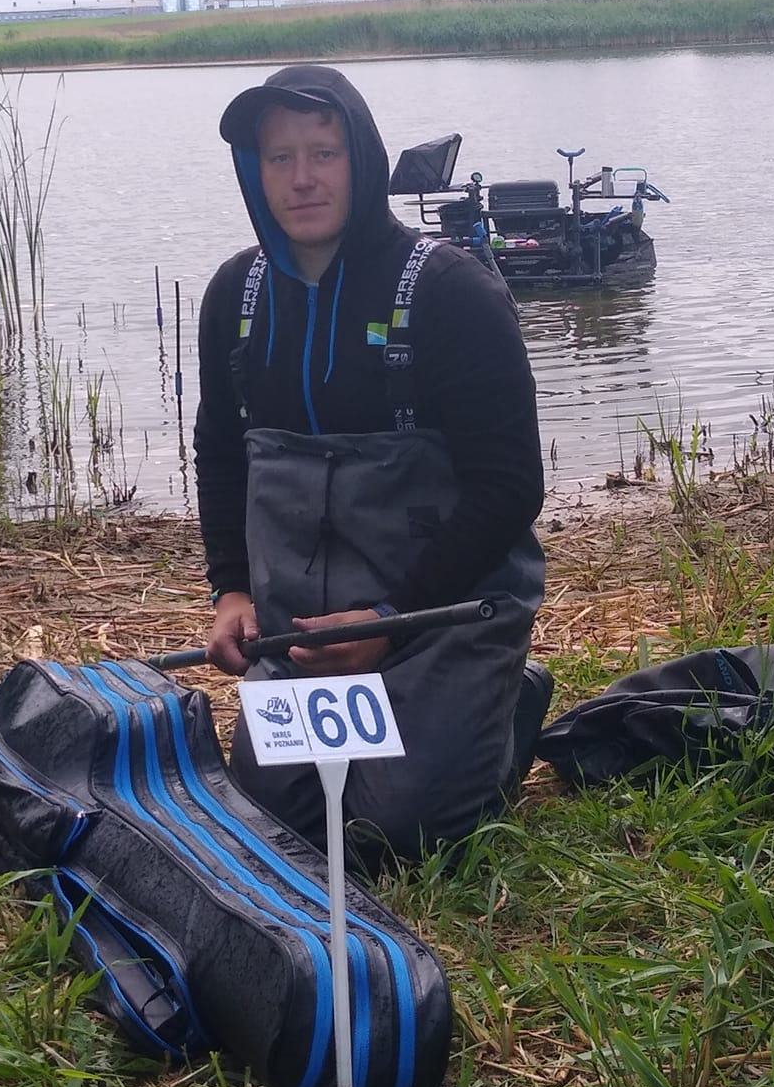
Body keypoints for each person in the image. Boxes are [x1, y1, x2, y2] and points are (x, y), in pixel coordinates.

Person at [194, 62, 549, 865]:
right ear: (254, 170)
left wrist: (391, 619)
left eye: (323, 153)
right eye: (279, 157)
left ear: (362, 157)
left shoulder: (453, 292)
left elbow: (509, 487)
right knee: (277, 821)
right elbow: (219, 451)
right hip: (302, 629)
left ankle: (505, 706)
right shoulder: (235, 296)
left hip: (441, 612)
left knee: (395, 832)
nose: (302, 178)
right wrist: (233, 591)